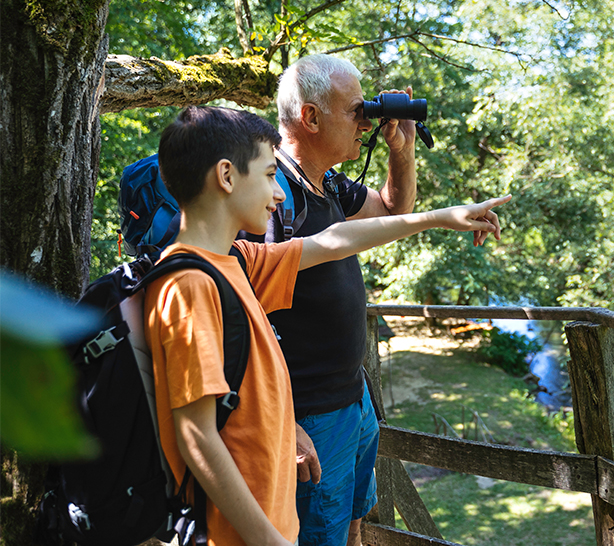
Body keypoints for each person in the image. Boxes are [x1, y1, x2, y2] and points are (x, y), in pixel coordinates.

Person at [145, 105, 509, 546]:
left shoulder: (237, 261)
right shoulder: (189, 286)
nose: (278, 195)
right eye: (267, 176)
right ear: (226, 176)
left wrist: (438, 217)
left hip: (272, 515)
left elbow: (333, 241)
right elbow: (196, 437)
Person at [263, 53, 429, 546]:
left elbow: (395, 208)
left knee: (355, 523)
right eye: (357, 110)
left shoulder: (327, 183)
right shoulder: (273, 196)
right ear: (310, 118)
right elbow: (242, 313)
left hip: (352, 398)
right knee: (319, 536)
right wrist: (284, 420)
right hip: (310, 413)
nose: (366, 121)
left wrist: (403, 147)